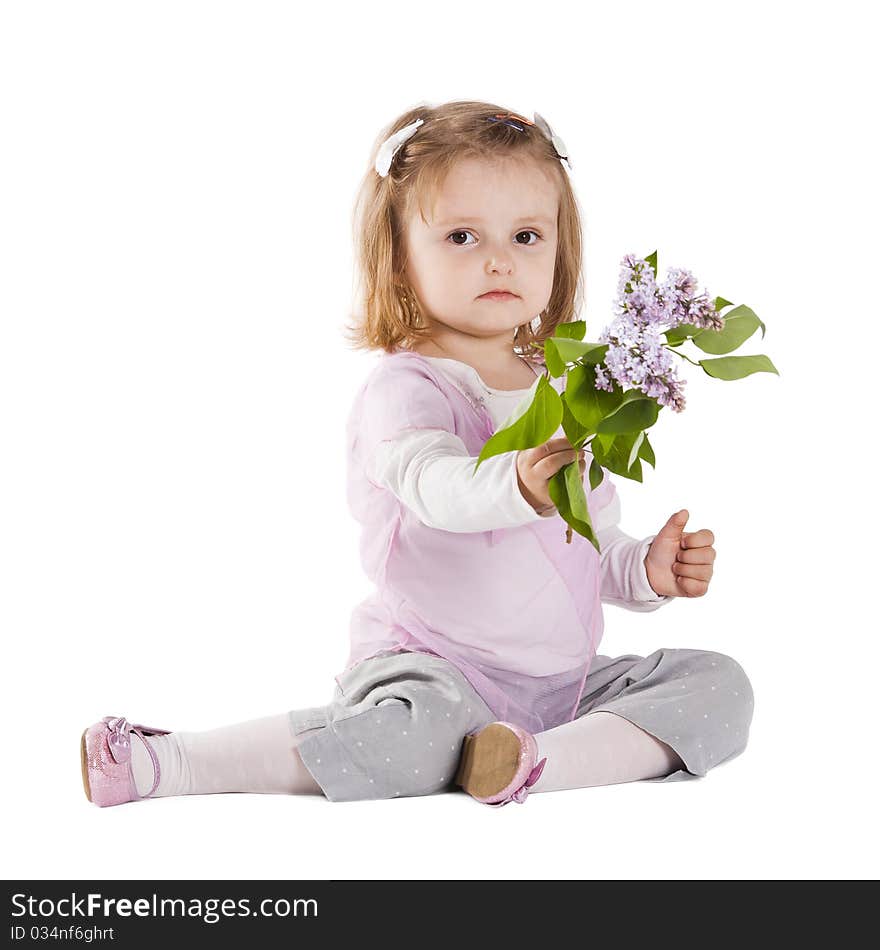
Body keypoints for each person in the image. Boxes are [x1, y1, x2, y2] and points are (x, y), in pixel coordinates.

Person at [81, 100, 754, 809]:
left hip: (564, 683)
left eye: (527, 235)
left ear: (560, 251)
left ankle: (530, 762)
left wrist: (644, 569)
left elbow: (586, 542)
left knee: (720, 685)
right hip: (435, 670)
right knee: (411, 738)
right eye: (462, 235)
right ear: (400, 259)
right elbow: (436, 486)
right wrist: (515, 483)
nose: (500, 258)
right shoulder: (405, 390)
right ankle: (173, 762)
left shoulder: (568, 388)